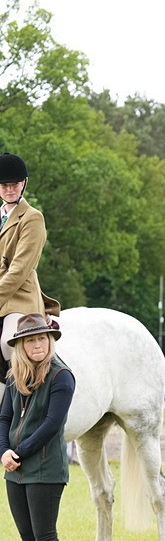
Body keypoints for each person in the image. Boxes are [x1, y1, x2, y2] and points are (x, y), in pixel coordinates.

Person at [1, 313, 75, 541]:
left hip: (45, 467)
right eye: (31, 340)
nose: (37, 345)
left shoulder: (61, 377)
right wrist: (3, 450)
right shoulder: (14, 377)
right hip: (15, 468)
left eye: (42, 339)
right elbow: (4, 418)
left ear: (50, 340)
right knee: (27, 538)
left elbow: (51, 424)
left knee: (45, 537)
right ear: (21, 345)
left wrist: (18, 452)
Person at [0, 153, 52, 379]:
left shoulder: (32, 218)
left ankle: (25, 404)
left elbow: (19, 270)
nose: (9, 189)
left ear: (24, 184)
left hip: (18, 297)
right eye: (4, 185)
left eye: (15, 184)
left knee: (8, 342)